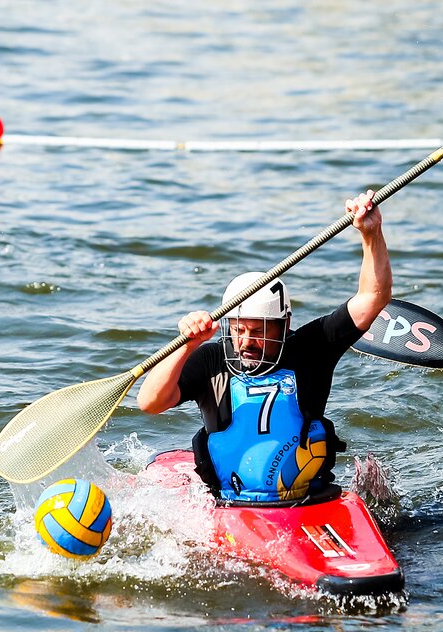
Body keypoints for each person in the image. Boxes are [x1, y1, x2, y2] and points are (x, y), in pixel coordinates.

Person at [136, 190, 391, 503]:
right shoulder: (212, 359)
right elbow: (150, 403)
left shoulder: (311, 347)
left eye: (258, 331)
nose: (245, 342)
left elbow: (372, 298)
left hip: (311, 498)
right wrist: (185, 346)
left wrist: (370, 233)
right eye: (239, 329)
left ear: (283, 325)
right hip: (230, 501)